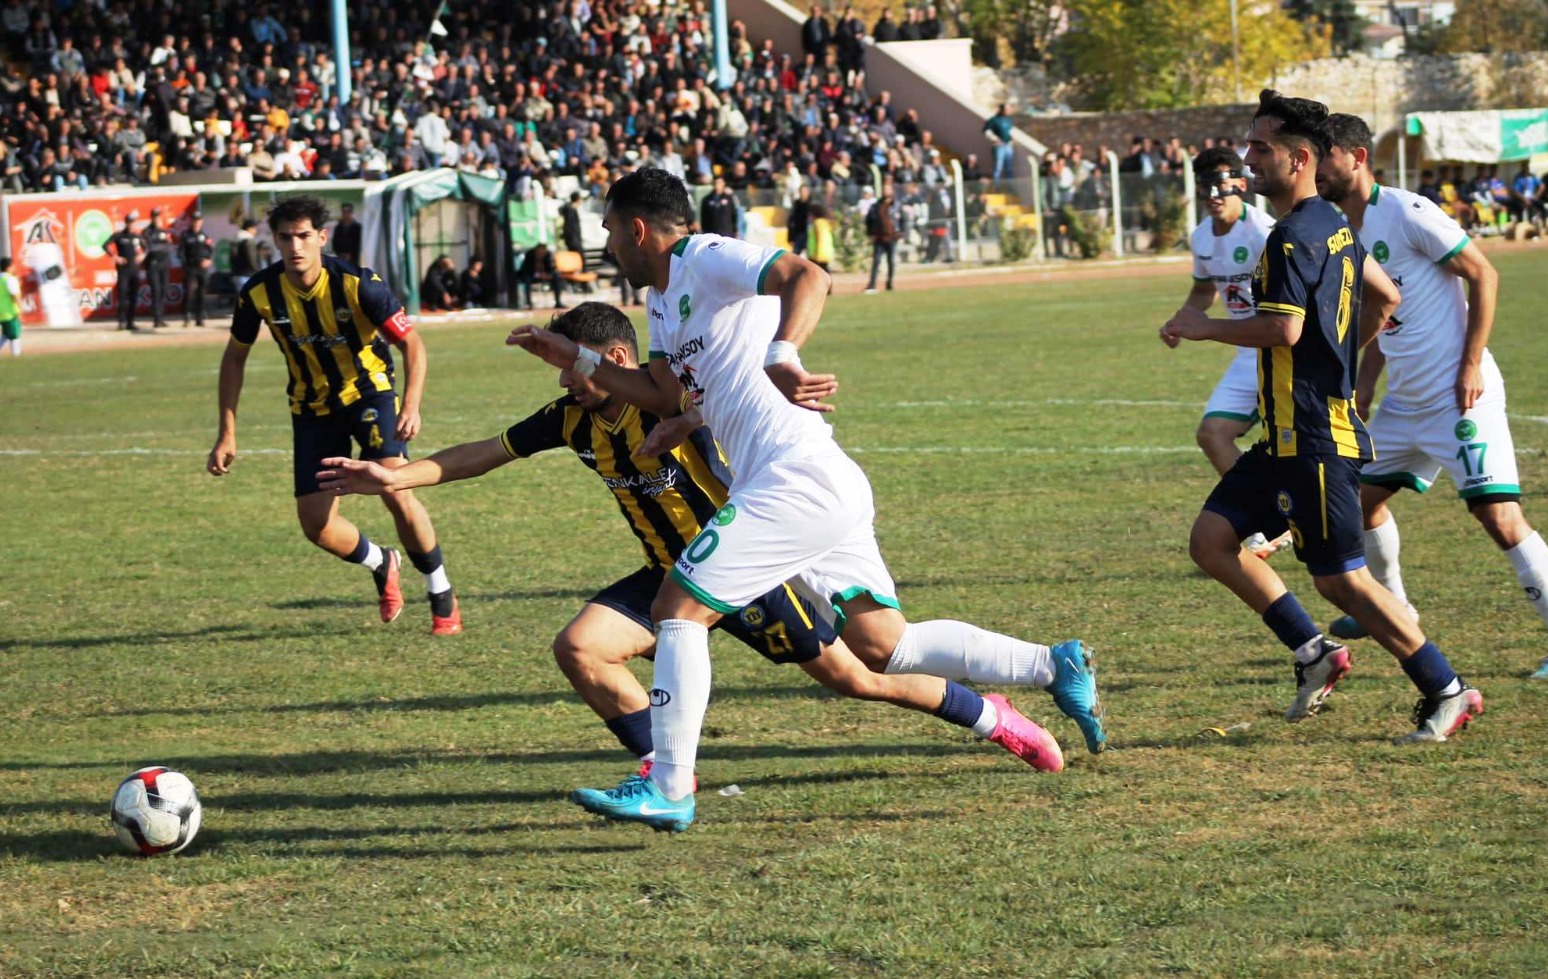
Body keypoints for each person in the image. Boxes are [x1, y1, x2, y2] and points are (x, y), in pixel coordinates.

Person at [506, 168, 1103, 833]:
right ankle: (1052, 663)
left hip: (793, 478)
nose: (609, 244)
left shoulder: (702, 257)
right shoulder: (661, 301)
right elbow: (665, 392)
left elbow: (807, 274)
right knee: (883, 646)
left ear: (637, 228)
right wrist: (582, 362)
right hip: (816, 480)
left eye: (611, 230)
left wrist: (783, 351)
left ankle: (670, 786)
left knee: (678, 604)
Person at [319, 303, 1062, 781]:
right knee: (579, 647)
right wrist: (392, 478)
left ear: (615, 361)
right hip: (667, 574)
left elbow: (727, 408)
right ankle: (662, 766)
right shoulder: (569, 416)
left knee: (858, 677)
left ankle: (996, 717)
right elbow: (481, 452)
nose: (568, 383)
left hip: (746, 566)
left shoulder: (673, 398)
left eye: (577, 367)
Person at [1161, 90, 1482, 743]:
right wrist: (1339, 358)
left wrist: (1203, 326)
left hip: (1311, 437)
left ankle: (1448, 688)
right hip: (1285, 435)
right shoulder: (1335, 223)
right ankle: (1315, 653)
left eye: (1261, 149)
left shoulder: (1289, 239)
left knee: (1345, 584)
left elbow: (1283, 331)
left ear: (1300, 158)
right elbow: (1384, 298)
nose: (1248, 161)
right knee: (1211, 541)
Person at [1316, 113, 1548, 679]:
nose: (1316, 169)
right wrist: (1367, 384)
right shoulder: (1336, 227)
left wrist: (1471, 364)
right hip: (1405, 403)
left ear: (1357, 156)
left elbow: (1483, 274)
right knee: (1362, 503)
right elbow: (1383, 312)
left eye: (1324, 156)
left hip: (1458, 397)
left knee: (1499, 517)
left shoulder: (1406, 211)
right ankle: (1397, 607)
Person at [207, 196, 461, 636]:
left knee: (396, 489)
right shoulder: (259, 293)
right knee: (317, 526)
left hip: (369, 395)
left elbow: (413, 345)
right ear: (275, 241)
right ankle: (382, 562)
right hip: (311, 409)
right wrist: (226, 432)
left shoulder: (358, 285)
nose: (295, 246)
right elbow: (234, 359)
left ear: (321, 238)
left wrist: (411, 405)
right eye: (285, 237)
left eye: (304, 235)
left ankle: (441, 594)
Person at [1167, 146, 1289, 559]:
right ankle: (1262, 528)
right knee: (1212, 433)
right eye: (1205, 185)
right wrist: (1180, 321)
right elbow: (1204, 290)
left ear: (1240, 182)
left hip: (1280, 350)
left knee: (1293, 449)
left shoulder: (1264, 233)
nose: (1213, 193)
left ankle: (1299, 523)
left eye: (1221, 182)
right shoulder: (1202, 235)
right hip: (1245, 354)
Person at [107, 212, 143, 331]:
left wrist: (143, 255)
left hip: (134, 270)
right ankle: (121, 321)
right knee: (122, 295)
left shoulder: (137, 236)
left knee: (134, 297)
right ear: (126, 223)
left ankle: (130, 322)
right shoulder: (119, 235)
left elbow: (147, 247)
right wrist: (115, 256)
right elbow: (105, 245)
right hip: (123, 270)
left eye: (133, 223)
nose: (131, 225)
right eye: (129, 223)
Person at [864, 185, 903, 292]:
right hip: (879, 237)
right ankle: (872, 284)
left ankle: (889, 283)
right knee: (876, 261)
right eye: (884, 189)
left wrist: (900, 232)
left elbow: (902, 220)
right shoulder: (876, 206)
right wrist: (871, 233)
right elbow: (869, 221)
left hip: (891, 237)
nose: (886, 191)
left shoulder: (896, 205)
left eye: (888, 189)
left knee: (891, 261)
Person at [179, 213, 215, 328]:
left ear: (201, 222)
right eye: (195, 220)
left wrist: (208, 261)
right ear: (192, 221)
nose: (197, 222)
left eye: (199, 220)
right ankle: (187, 316)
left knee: (202, 292)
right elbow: (181, 252)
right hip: (191, 267)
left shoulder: (204, 236)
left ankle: (199, 317)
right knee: (189, 292)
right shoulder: (186, 235)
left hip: (202, 269)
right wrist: (186, 264)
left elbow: (210, 251)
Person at [143, 208, 175, 329]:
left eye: (159, 217)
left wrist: (163, 243)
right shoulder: (147, 231)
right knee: (156, 291)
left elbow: (169, 247)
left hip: (164, 264)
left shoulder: (164, 230)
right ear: (151, 218)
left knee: (163, 291)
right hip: (153, 265)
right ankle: (157, 318)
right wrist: (161, 244)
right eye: (155, 217)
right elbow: (150, 247)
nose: (157, 219)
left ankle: (161, 318)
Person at [517, 243, 566, 310]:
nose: (542, 253)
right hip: (531, 275)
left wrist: (548, 275)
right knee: (527, 279)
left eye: (543, 252)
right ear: (536, 250)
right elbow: (526, 270)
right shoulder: (530, 254)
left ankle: (558, 302)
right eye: (540, 251)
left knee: (557, 276)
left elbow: (551, 268)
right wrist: (537, 275)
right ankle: (528, 303)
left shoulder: (548, 255)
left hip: (544, 275)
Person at [0, 257, 21, 357]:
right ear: (8, 267)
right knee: (14, 334)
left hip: (0, 311)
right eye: (13, 266)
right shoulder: (9, 279)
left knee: (6, 333)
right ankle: (16, 354)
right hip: (10, 311)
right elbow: (14, 295)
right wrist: (19, 307)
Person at [231, 217, 261, 297]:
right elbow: (252, 259)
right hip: (247, 275)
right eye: (255, 228)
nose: (256, 231)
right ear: (250, 228)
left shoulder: (236, 239)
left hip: (237, 274)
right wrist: (258, 271)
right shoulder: (248, 241)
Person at [984, 104, 1016, 181]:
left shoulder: (1008, 120)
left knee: (1008, 168)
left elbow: (1010, 131)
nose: (1008, 111)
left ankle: (1009, 187)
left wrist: (1011, 139)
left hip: (1007, 146)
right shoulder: (994, 120)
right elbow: (987, 131)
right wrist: (995, 139)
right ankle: (996, 187)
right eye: (1006, 109)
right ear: (1001, 110)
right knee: (998, 167)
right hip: (999, 146)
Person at [561, 190, 586, 255]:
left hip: (574, 239)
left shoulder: (571, 209)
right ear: (577, 199)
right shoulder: (570, 210)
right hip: (573, 240)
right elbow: (569, 226)